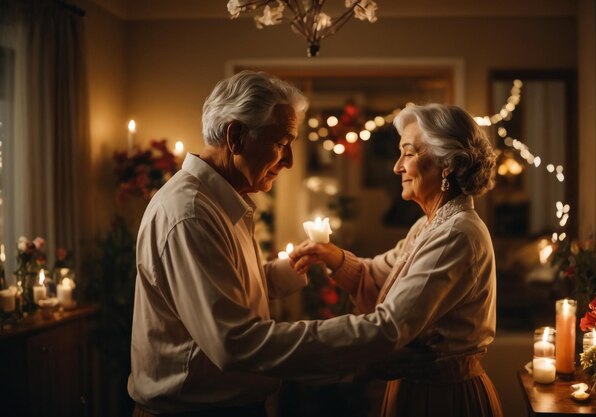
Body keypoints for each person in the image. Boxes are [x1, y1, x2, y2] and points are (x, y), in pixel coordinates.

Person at [129, 71, 398, 417]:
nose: (288, 161)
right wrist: (361, 344)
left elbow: (228, 290)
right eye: (282, 142)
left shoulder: (221, 200)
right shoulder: (191, 213)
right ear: (236, 136)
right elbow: (234, 342)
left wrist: (286, 270)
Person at [289, 103, 504, 417]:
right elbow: (376, 278)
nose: (396, 167)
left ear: (447, 163)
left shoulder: (457, 234)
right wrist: (332, 257)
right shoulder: (428, 226)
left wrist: (301, 346)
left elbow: (390, 325)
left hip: (444, 400)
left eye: (408, 152)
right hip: (419, 392)